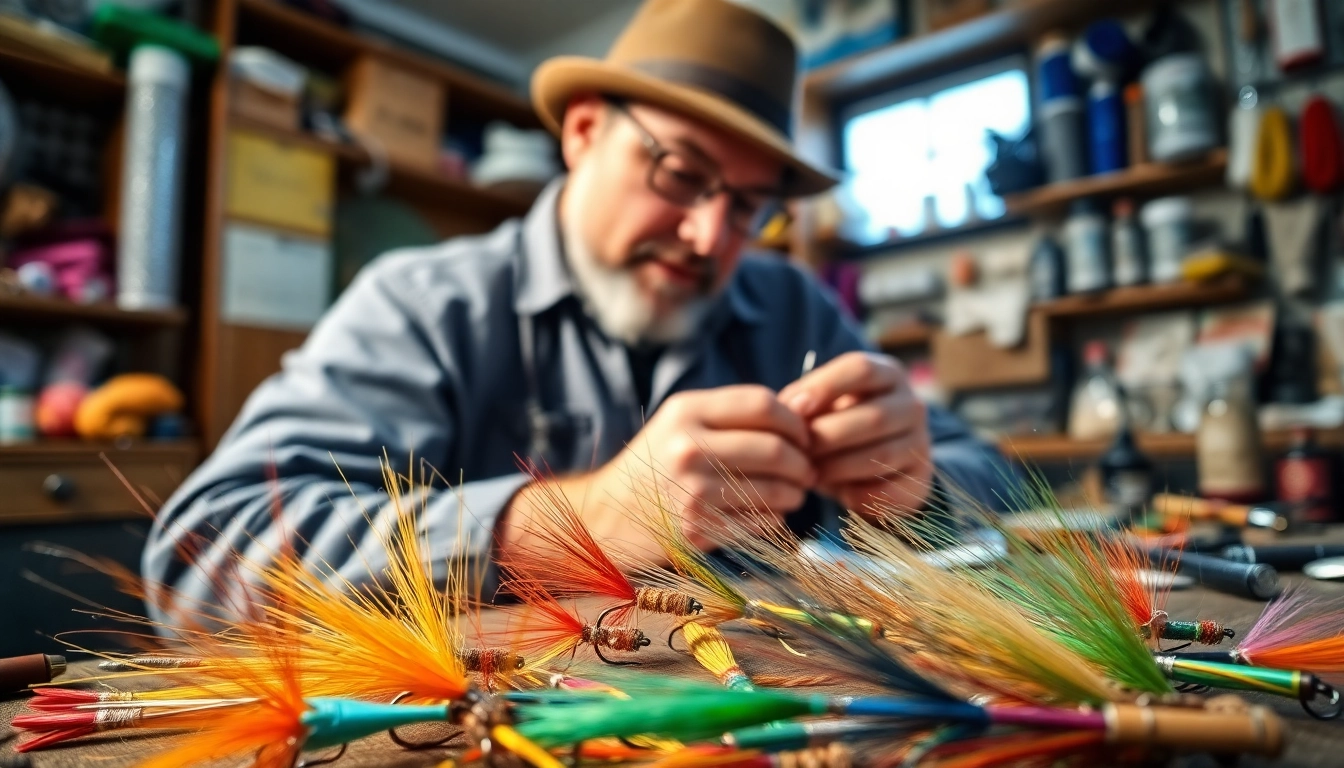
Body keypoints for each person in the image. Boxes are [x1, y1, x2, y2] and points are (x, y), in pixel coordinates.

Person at [142, 0, 1013, 627]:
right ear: (584, 131)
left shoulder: (791, 308)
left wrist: (918, 492)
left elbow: (996, 475)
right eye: (681, 173)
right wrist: (568, 526)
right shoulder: (424, 305)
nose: (711, 236)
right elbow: (198, 559)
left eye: (749, 206)